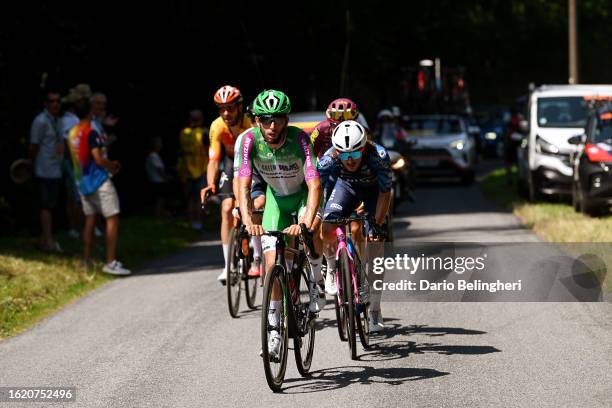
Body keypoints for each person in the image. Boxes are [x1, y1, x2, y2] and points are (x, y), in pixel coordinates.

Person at [236, 89, 323, 358]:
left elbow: (314, 182)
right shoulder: (248, 140)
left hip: (302, 197)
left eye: (278, 120)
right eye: (265, 120)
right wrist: (249, 219)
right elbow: (242, 184)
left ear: (286, 119)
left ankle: (317, 281)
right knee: (272, 262)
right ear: (257, 120)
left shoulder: (300, 138)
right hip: (276, 199)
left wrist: (306, 221)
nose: (272, 127)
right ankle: (274, 331)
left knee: (311, 235)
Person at [318, 120, 392, 333]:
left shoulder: (378, 156)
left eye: (355, 155)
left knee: (376, 245)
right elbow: (318, 189)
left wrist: (376, 224)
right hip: (346, 188)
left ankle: (375, 309)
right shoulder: (328, 160)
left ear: (363, 148)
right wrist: (318, 214)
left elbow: (385, 193)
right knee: (326, 227)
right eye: (344, 154)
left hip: (373, 193)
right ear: (336, 151)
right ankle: (332, 267)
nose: (349, 160)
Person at [67, 97, 130, 276]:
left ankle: (87, 261)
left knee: (89, 219)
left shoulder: (72, 133)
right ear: (90, 111)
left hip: (82, 183)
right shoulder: (90, 132)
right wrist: (113, 165)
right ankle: (110, 262)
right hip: (99, 181)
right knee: (112, 217)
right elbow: (98, 159)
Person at [199, 85, 252, 283]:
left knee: (249, 203)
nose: (226, 113)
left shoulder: (250, 123)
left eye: (230, 107)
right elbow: (213, 159)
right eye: (222, 108)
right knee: (226, 207)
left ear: (239, 106)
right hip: (231, 163)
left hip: (251, 163)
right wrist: (210, 183)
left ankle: (255, 252)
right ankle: (227, 265)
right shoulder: (217, 126)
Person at [28, 89, 63, 252]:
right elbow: (34, 145)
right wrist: (31, 164)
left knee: (51, 205)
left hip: (55, 168)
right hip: (43, 169)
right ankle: (48, 241)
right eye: (52, 101)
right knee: (45, 205)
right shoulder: (40, 121)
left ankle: (43, 239)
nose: (55, 104)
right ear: (46, 104)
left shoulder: (58, 120)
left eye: (57, 101)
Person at [60, 84, 92, 239]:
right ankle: (75, 228)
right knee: (74, 197)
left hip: (76, 162)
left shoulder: (74, 119)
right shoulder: (69, 120)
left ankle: (79, 228)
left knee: (76, 196)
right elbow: (68, 143)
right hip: (72, 163)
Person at [178, 110, 209, 229]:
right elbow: (208, 150)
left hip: (186, 171)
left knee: (190, 199)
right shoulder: (203, 132)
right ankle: (199, 224)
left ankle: (192, 223)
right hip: (201, 170)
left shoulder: (183, 133)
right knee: (199, 199)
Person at [146, 137, 169, 217]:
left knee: (158, 199)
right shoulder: (154, 156)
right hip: (157, 181)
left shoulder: (151, 156)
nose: (161, 146)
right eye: (159, 144)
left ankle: (159, 214)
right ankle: (158, 215)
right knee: (160, 199)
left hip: (154, 180)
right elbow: (160, 170)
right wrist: (167, 178)